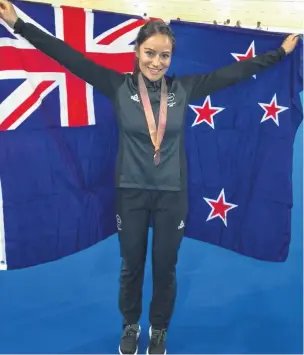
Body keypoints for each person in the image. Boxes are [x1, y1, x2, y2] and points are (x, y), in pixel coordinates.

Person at [0, 0, 299, 354]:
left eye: (165, 55)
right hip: (131, 195)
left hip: (172, 195)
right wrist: (18, 23)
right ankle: (130, 325)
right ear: (137, 51)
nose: (157, 62)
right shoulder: (116, 85)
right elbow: (66, 55)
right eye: (150, 53)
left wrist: (279, 53)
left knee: (165, 268)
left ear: (172, 57)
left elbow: (232, 74)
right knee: (131, 267)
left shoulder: (184, 89)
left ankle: (158, 330)